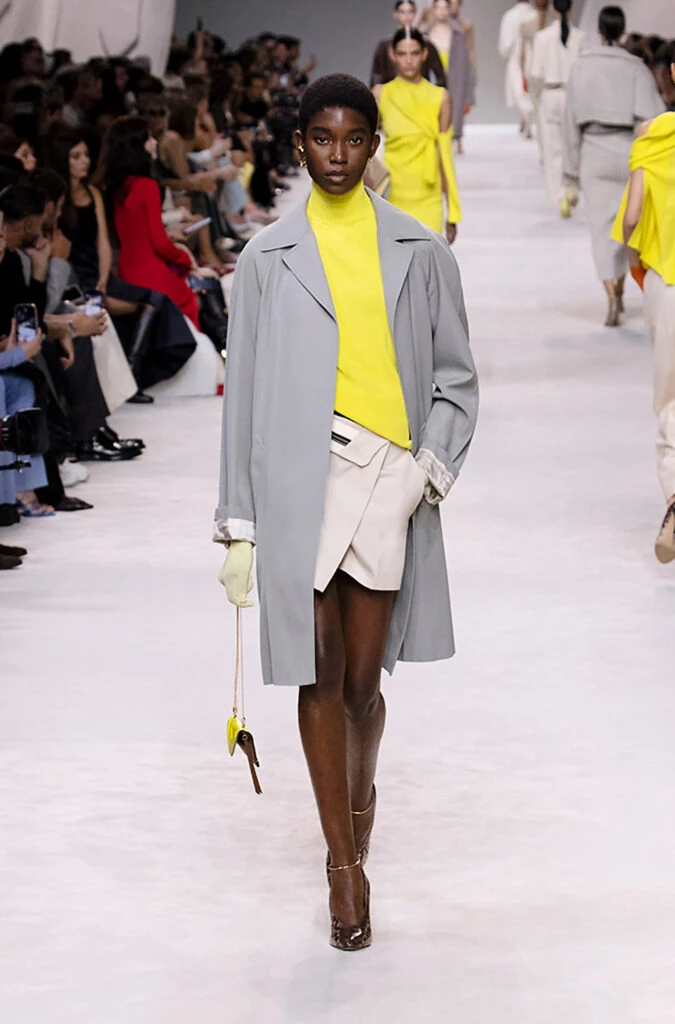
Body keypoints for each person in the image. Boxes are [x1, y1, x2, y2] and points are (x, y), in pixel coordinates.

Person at [214, 73, 478, 951]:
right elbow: (244, 397)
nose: (336, 155)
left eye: (352, 139)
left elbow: (456, 379)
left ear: (373, 145)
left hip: (389, 475)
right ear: (299, 146)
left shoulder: (419, 252)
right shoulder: (265, 259)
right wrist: (238, 521)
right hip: (300, 480)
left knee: (364, 684)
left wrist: (425, 473)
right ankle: (343, 868)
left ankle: (358, 808)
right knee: (318, 672)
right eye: (321, 139)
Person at [562, 5, 664, 327]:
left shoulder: (581, 67)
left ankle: (610, 294)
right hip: (629, 150)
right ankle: (621, 286)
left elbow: (570, 122)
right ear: (622, 31)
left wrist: (570, 170)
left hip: (593, 150)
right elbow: (654, 118)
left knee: (600, 229)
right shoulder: (635, 68)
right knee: (627, 225)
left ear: (598, 30)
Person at [610, 78, 675, 561]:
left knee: (671, 396)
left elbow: (632, 217)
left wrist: (638, 262)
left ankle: (674, 501)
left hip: (667, 280)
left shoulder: (653, 135)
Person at [102, 116, 200, 327]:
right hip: (153, 275)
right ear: (137, 146)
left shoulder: (116, 187)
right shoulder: (147, 186)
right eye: (148, 138)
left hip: (127, 273)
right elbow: (160, 243)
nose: (155, 142)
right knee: (191, 298)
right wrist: (184, 258)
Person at [374, 28, 462, 243]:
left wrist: (453, 211)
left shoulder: (441, 97)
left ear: (424, 54)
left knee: (428, 258)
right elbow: (366, 146)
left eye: (414, 53)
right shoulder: (380, 94)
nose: (408, 61)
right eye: (402, 54)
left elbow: (445, 155)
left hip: (429, 195)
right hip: (393, 195)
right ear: (393, 55)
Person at [529, 0, 587, 217]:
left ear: (553, 9)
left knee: (553, 149)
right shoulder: (580, 37)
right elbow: (585, 71)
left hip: (550, 94)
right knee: (574, 145)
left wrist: (538, 96)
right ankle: (572, 188)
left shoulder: (542, 38)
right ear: (571, 9)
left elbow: (535, 73)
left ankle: (561, 195)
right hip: (573, 95)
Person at [426, 0, 475, 153]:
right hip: (432, 78)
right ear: (433, 9)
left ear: (449, 9)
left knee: (454, 109)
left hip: (453, 76)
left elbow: (465, 63)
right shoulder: (425, 33)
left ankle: (452, 141)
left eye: (445, 7)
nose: (441, 11)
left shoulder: (458, 33)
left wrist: (469, 91)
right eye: (438, 7)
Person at [370, 0, 445, 88]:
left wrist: (431, 93)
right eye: (402, 12)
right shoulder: (385, 45)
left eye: (410, 12)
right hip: (393, 94)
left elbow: (441, 77)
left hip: (420, 94)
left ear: (415, 14)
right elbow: (377, 77)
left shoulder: (426, 44)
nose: (406, 16)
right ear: (395, 14)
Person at [499, 0, 539, 138]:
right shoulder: (536, 15)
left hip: (516, 57)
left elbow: (506, 44)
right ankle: (527, 121)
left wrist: (507, 53)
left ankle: (528, 123)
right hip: (535, 56)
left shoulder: (510, 16)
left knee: (520, 89)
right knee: (530, 90)